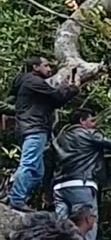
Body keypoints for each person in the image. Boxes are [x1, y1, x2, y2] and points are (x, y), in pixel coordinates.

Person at [50, 109, 111, 240]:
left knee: (61, 222)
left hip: (60, 185)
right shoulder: (87, 134)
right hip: (82, 182)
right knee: (87, 219)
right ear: (82, 121)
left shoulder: (60, 138)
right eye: (92, 120)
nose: (94, 125)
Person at [7, 56, 79, 211]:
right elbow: (57, 97)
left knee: (37, 172)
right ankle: (17, 198)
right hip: (35, 127)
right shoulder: (34, 82)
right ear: (35, 67)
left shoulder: (25, 82)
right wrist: (72, 88)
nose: (49, 69)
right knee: (29, 164)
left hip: (27, 128)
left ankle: (12, 195)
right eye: (46, 66)